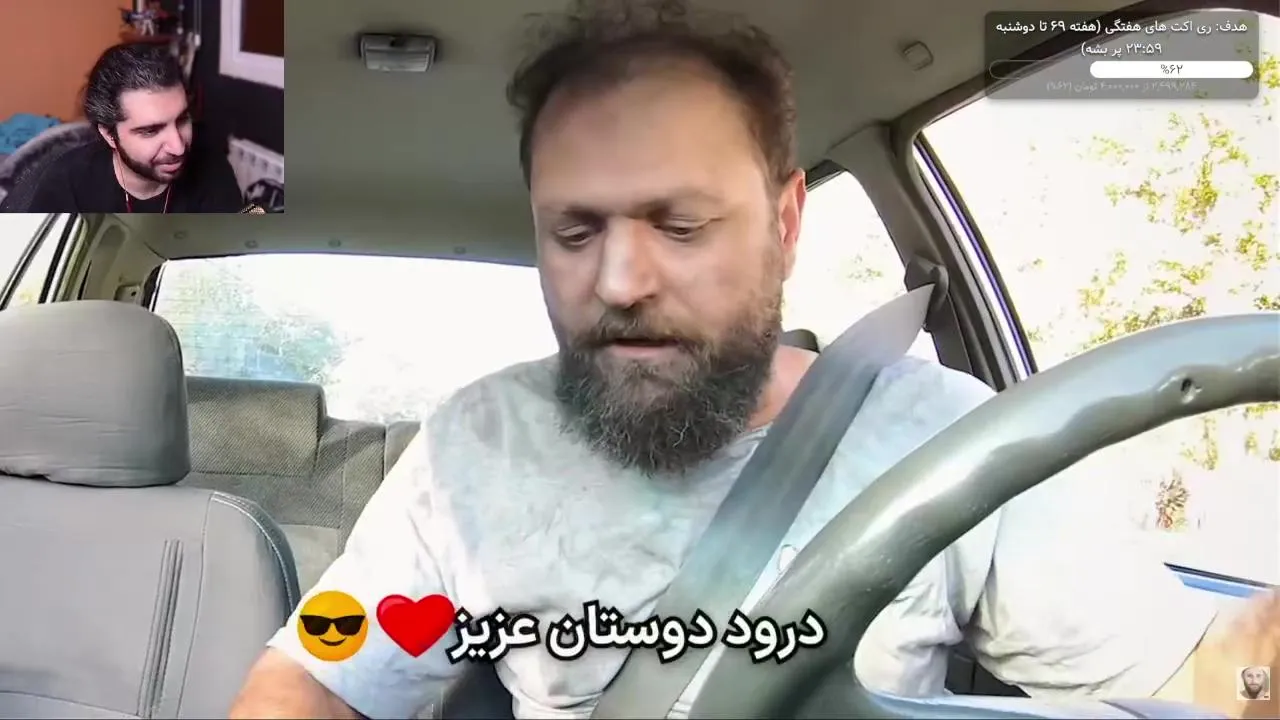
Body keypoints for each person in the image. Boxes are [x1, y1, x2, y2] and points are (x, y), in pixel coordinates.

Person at [230, 1, 1279, 718]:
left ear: (785, 224)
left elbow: (1201, 678)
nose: (620, 280)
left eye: (680, 224)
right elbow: (315, 672)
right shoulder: (470, 452)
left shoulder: (945, 441)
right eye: (575, 231)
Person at [28, 43, 245, 213]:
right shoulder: (67, 181)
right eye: (151, 131)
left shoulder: (211, 165)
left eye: (182, 120)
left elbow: (235, 236)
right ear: (109, 134)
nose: (178, 148)